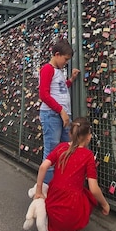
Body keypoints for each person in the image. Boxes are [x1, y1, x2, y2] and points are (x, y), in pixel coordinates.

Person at [34, 117, 110, 231]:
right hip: (71, 206)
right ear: (88, 137)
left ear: (70, 134)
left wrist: (39, 191)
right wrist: (104, 204)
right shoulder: (87, 155)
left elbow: (43, 166)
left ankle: (58, 229)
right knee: (87, 197)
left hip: (53, 202)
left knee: (64, 192)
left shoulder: (61, 147)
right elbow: (93, 188)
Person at [39, 39, 80, 183]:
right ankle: (45, 192)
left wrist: (71, 80)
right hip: (52, 115)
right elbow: (43, 94)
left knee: (66, 150)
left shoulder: (58, 71)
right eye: (65, 59)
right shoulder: (47, 69)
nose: (66, 62)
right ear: (57, 54)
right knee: (51, 154)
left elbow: (60, 89)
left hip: (62, 115)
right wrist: (61, 111)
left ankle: (59, 187)